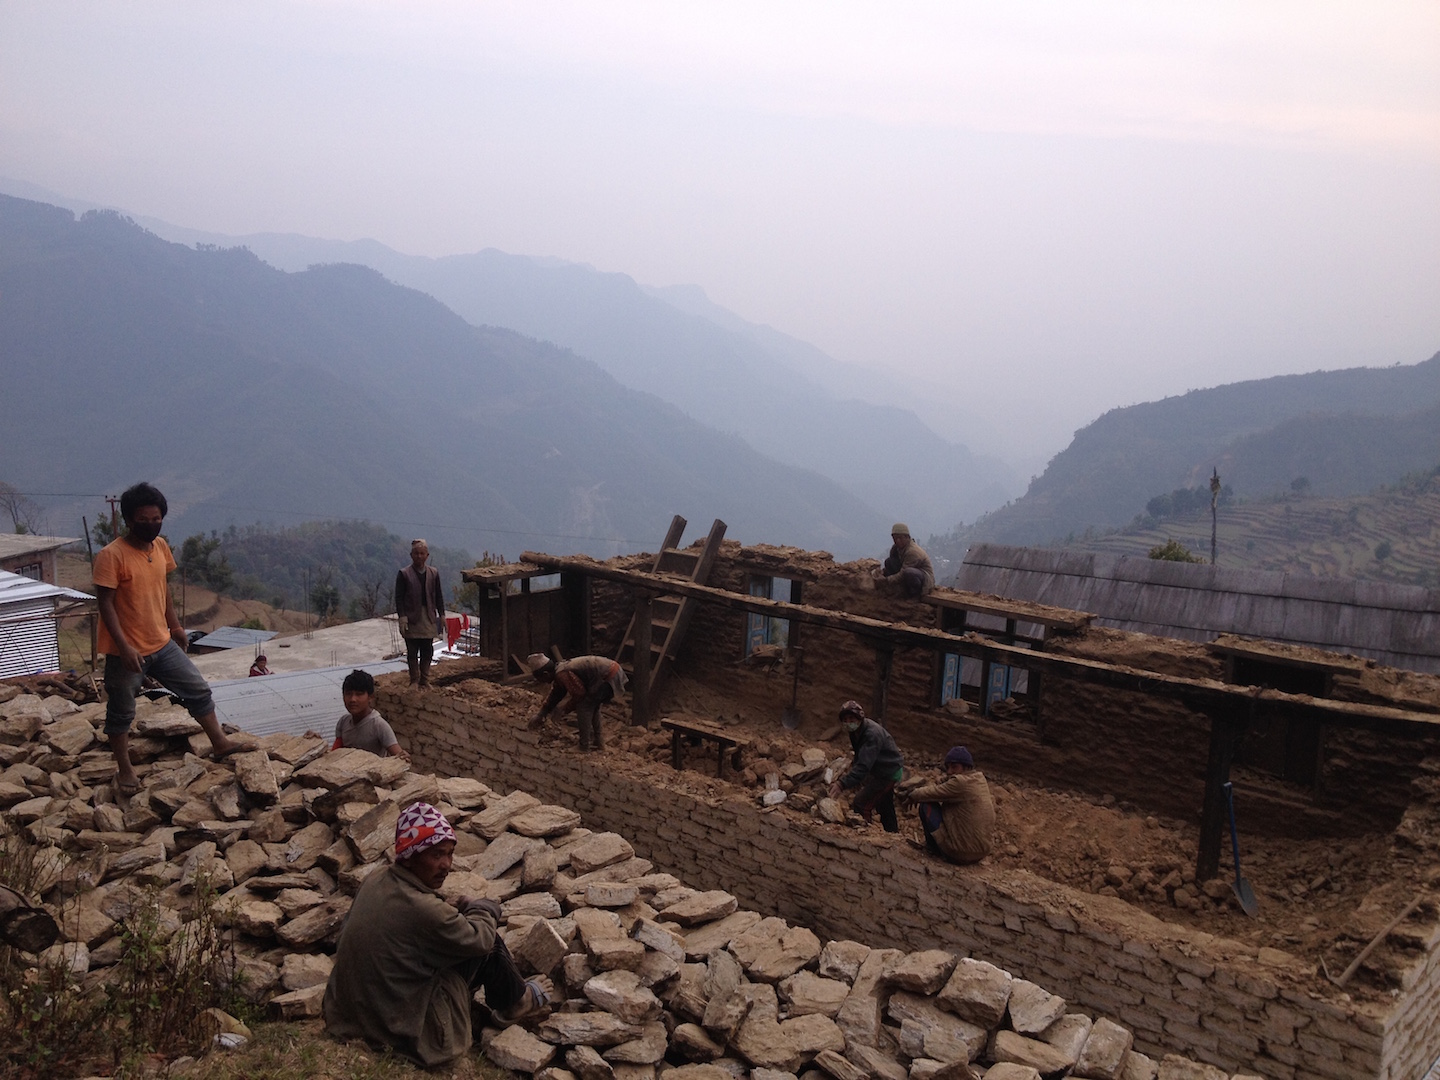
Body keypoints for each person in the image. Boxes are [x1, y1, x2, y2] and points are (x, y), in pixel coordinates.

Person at [323, 802, 552, 1067]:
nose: (446, 865)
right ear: (410, 856)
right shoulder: (425, 910)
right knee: (487, 944)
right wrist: (484, 908)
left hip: (348, 1019)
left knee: (459, 938)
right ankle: (517, 1001)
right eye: (436, 856)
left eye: (450, 854)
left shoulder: (377, 878)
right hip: (398, 1034)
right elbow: (481, 939)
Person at [93, 483, 242, 795]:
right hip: (127, 652)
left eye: (156, 518)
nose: (151, 524)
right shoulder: (112, 556)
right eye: (143, 520)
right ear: (128, 520)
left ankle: (220, 742)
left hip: (161, 643)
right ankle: (125, 769)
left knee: (198, 690)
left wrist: (175, 627)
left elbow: (163, 592)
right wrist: (122, 646)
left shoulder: (159, 547)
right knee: (121, 711)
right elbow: (105, 604)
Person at [897, 746, 996, 864]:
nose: (949, 771)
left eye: (954, 767)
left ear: (966, 767)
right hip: (981, 853)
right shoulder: (979, 779)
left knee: (927, 804)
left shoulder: (960, 783)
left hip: (960, 853)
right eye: (948, 767)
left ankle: (932, 849)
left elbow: (929, 793)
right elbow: (943, 784)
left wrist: (912, 795)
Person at [827, 700, 904, 832]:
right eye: (845, 720)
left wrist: (842, 784)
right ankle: (893, 834)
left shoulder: (871, 734)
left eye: (851, 718)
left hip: (888, 772)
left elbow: (863, 766)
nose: (848, 723)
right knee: (884, 804)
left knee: (861, 803)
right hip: (880, 768)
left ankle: (865, 834)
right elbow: (860, 757)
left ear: (859, 718)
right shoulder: (856, 731)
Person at [525, 653, 626, 752]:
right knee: (592, 705)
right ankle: (599, 742)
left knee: (584, 706)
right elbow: (556, 694)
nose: (542, 682)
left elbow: (579, 694)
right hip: (612, 671)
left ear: (545, 674)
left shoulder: (562, 674)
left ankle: (583, 746)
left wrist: (564, 709)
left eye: (540, 679)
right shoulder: (560, 671)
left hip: (609, 675)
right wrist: (541, 714)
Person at [395, 538, 445, 688]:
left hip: (428, 615)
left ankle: (425, 679)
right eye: (416, 553)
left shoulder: (433, 573)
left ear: (427, 555)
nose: (419, 556)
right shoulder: (404, 574)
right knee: (412, 650)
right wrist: (402, 616)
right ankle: (414, 680)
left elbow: (438, 595)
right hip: (411, 617)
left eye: (422, 553)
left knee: (427, 649)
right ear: (411, 555)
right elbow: (399, 597)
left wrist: (442, 614)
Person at [332, 668, 410, 760]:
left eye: (359, 694)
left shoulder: (378, 725)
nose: (353, 699)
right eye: (348, 694)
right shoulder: (343, 722)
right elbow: (334, 753)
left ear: (370, 697)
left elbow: (398, 755)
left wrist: (403, 758)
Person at [875, 523, 934, 598]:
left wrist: (886, 580)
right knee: (889, 561)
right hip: (907, 571)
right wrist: (882, 572)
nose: (897, 541)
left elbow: (903, 573)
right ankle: (897, 588)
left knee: (909, 572)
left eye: (900, 538)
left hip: (923, 579)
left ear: (907, 537)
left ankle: (914, 594)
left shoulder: (913, 552)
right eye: (895, 538)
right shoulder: (896, 548)